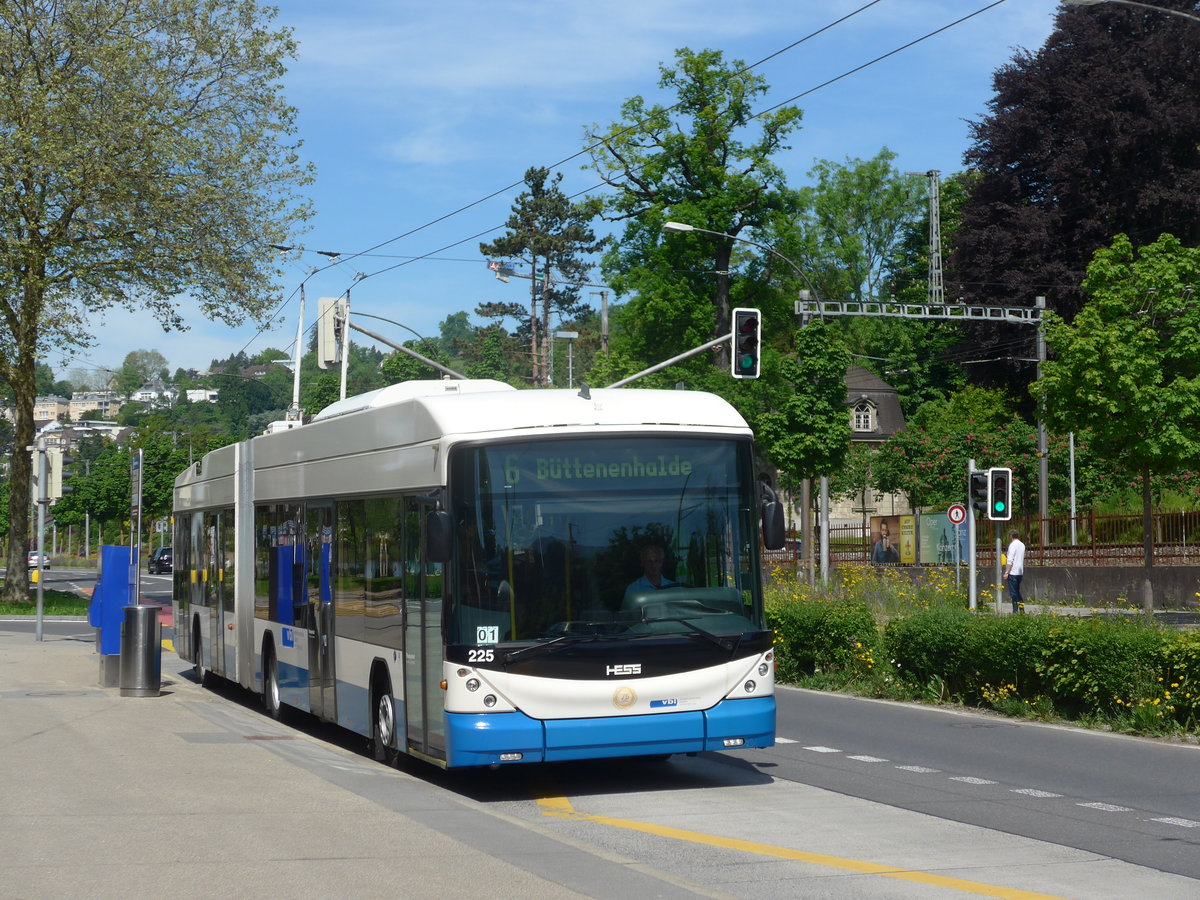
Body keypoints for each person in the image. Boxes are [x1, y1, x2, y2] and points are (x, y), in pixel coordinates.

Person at [1004, 529, 1026, 613]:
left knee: (1013, 594)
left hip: (1013, 572)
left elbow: (1010, 560)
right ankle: (1022, 609)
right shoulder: (1022, 545)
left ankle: (1015, 611)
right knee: (1017, 592)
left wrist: (1007, 572)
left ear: (1011, 536)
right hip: (1020, 572)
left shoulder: (1012, 545)